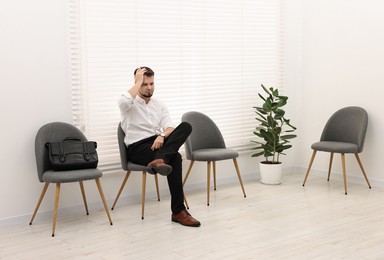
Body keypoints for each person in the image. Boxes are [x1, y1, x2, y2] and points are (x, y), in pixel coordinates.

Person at [118, 66, 201, 227]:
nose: (149, 88)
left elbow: (169, 127)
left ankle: (160, 160)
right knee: (175, 157)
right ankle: (178, 211)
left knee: (185, 126)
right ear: (137, 83)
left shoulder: (159, 104)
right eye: (145, 84)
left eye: (151, 83)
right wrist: (137, 81)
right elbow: (123, 100)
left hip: (158, 143)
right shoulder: (128, 104)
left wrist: (162, 136)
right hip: (138, 148)